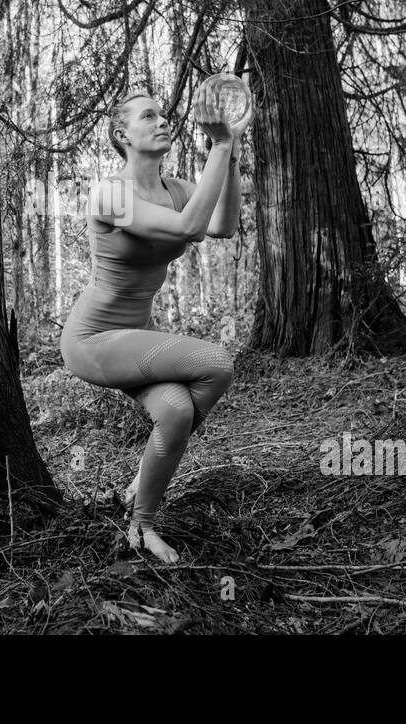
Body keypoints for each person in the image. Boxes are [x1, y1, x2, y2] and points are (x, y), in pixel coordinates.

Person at [59, 78, 253, 563]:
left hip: (135, 337)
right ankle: (143, 492)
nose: (163, 120)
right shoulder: (109, 194)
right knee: (216, 361)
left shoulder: (176, 188)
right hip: (93, 339)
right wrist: (222, 145)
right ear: (122, 135)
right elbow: (190, 228)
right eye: (148, 115)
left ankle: (140, 522)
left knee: (176, 412)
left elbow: (221, 226)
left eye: (164, 113)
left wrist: (226, 151)